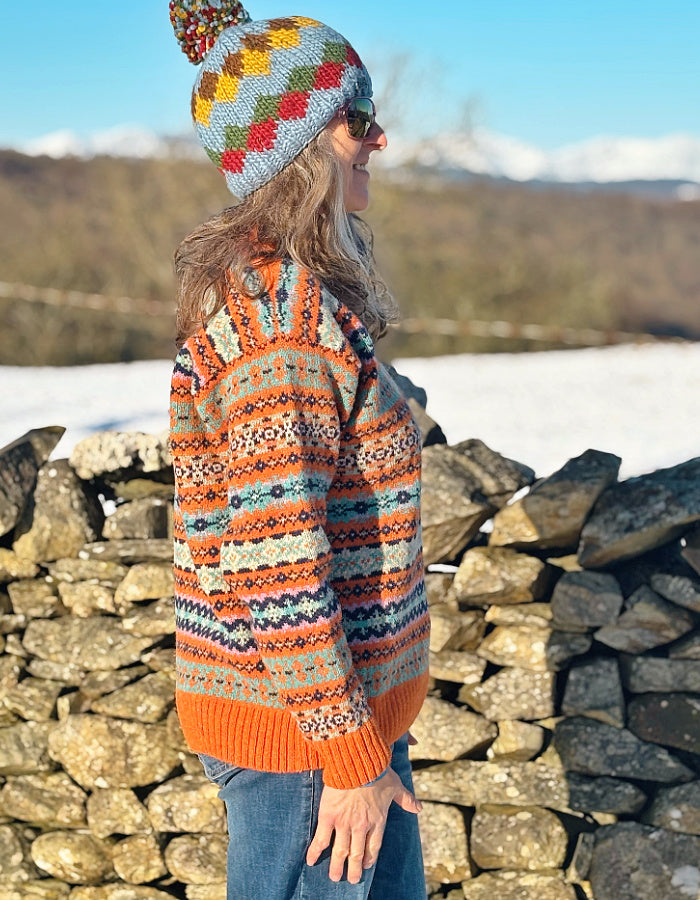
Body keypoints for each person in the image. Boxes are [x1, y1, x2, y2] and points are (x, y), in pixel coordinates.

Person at [168, 3, 431, 898]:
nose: (378, 140)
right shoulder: (280, 320)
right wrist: (354, 760)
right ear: (306, 144)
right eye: (360, 120)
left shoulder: (292, 298)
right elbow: (276, 564)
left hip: (337, 725)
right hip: (309, 745)